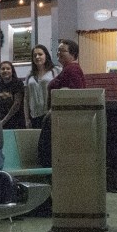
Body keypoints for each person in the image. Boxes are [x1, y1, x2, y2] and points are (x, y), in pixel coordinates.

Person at [38, 39, 86, 167]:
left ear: (73, 54)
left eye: (62, 50)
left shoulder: (72, 70)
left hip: (63, 119)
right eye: (58, 50)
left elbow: (75, 94)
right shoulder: (67, 69)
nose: (59, 52)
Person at [23, 44, 59, 128]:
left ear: (46, 55)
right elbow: (26, 98)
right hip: (35, 115)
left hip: (50, 113)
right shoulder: (30, 75)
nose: (37, 57)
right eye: (34, 55)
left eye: (40, 54)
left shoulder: (55, 71)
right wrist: (27, 119)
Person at [0, 61, 25, 129]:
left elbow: (17, 104)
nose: (5, 70)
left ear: (12, 70)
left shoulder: (18, 83)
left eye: (8, 68)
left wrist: (4, 121)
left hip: (16, 122)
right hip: (1, 122)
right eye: (3, 69)